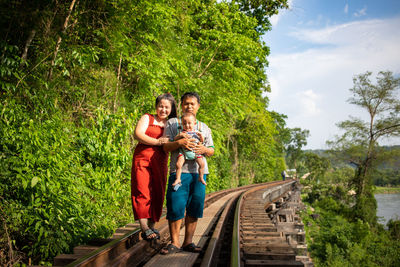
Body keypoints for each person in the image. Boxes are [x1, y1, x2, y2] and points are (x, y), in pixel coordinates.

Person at [160, 92, 214, 255]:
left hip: (198, 173)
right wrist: (179, 142)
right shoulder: (172, 123)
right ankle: (174, 242)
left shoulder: (204, 127)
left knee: (194, 206)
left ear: (198, 106)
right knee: (175, 205)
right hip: (178, 172)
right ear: (181, 105)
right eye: (186, 103)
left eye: (192, 104)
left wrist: (204, 149)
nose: (189, 106)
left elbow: (211, 150)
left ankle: (188, 242)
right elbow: (165, 147)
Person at [131, 93, 177, 241]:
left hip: (161, 160)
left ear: (171, 109)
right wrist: (157, 142)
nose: (163, 110)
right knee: (142, 190)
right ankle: (144, 227)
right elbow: (138, 134)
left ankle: (152, 225)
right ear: (156, 107)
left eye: (166, 107)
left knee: (158, 191)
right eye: (160, 106)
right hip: (142, 159)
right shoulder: (147, 118)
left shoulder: (172, 123)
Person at [171, 112, 206, 189]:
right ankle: (178, 179)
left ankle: (201, 177)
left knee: (202, 164)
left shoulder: (197, 132)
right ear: (182, 124)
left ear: (194, 123)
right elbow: (175, 139)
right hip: (184, 153)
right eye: (184, 123)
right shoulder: (181, 132)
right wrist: (180, 135)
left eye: (189, 123)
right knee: (178, 164)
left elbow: (202, 141)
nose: (187, 125)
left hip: (195, 152)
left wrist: (201, 137)